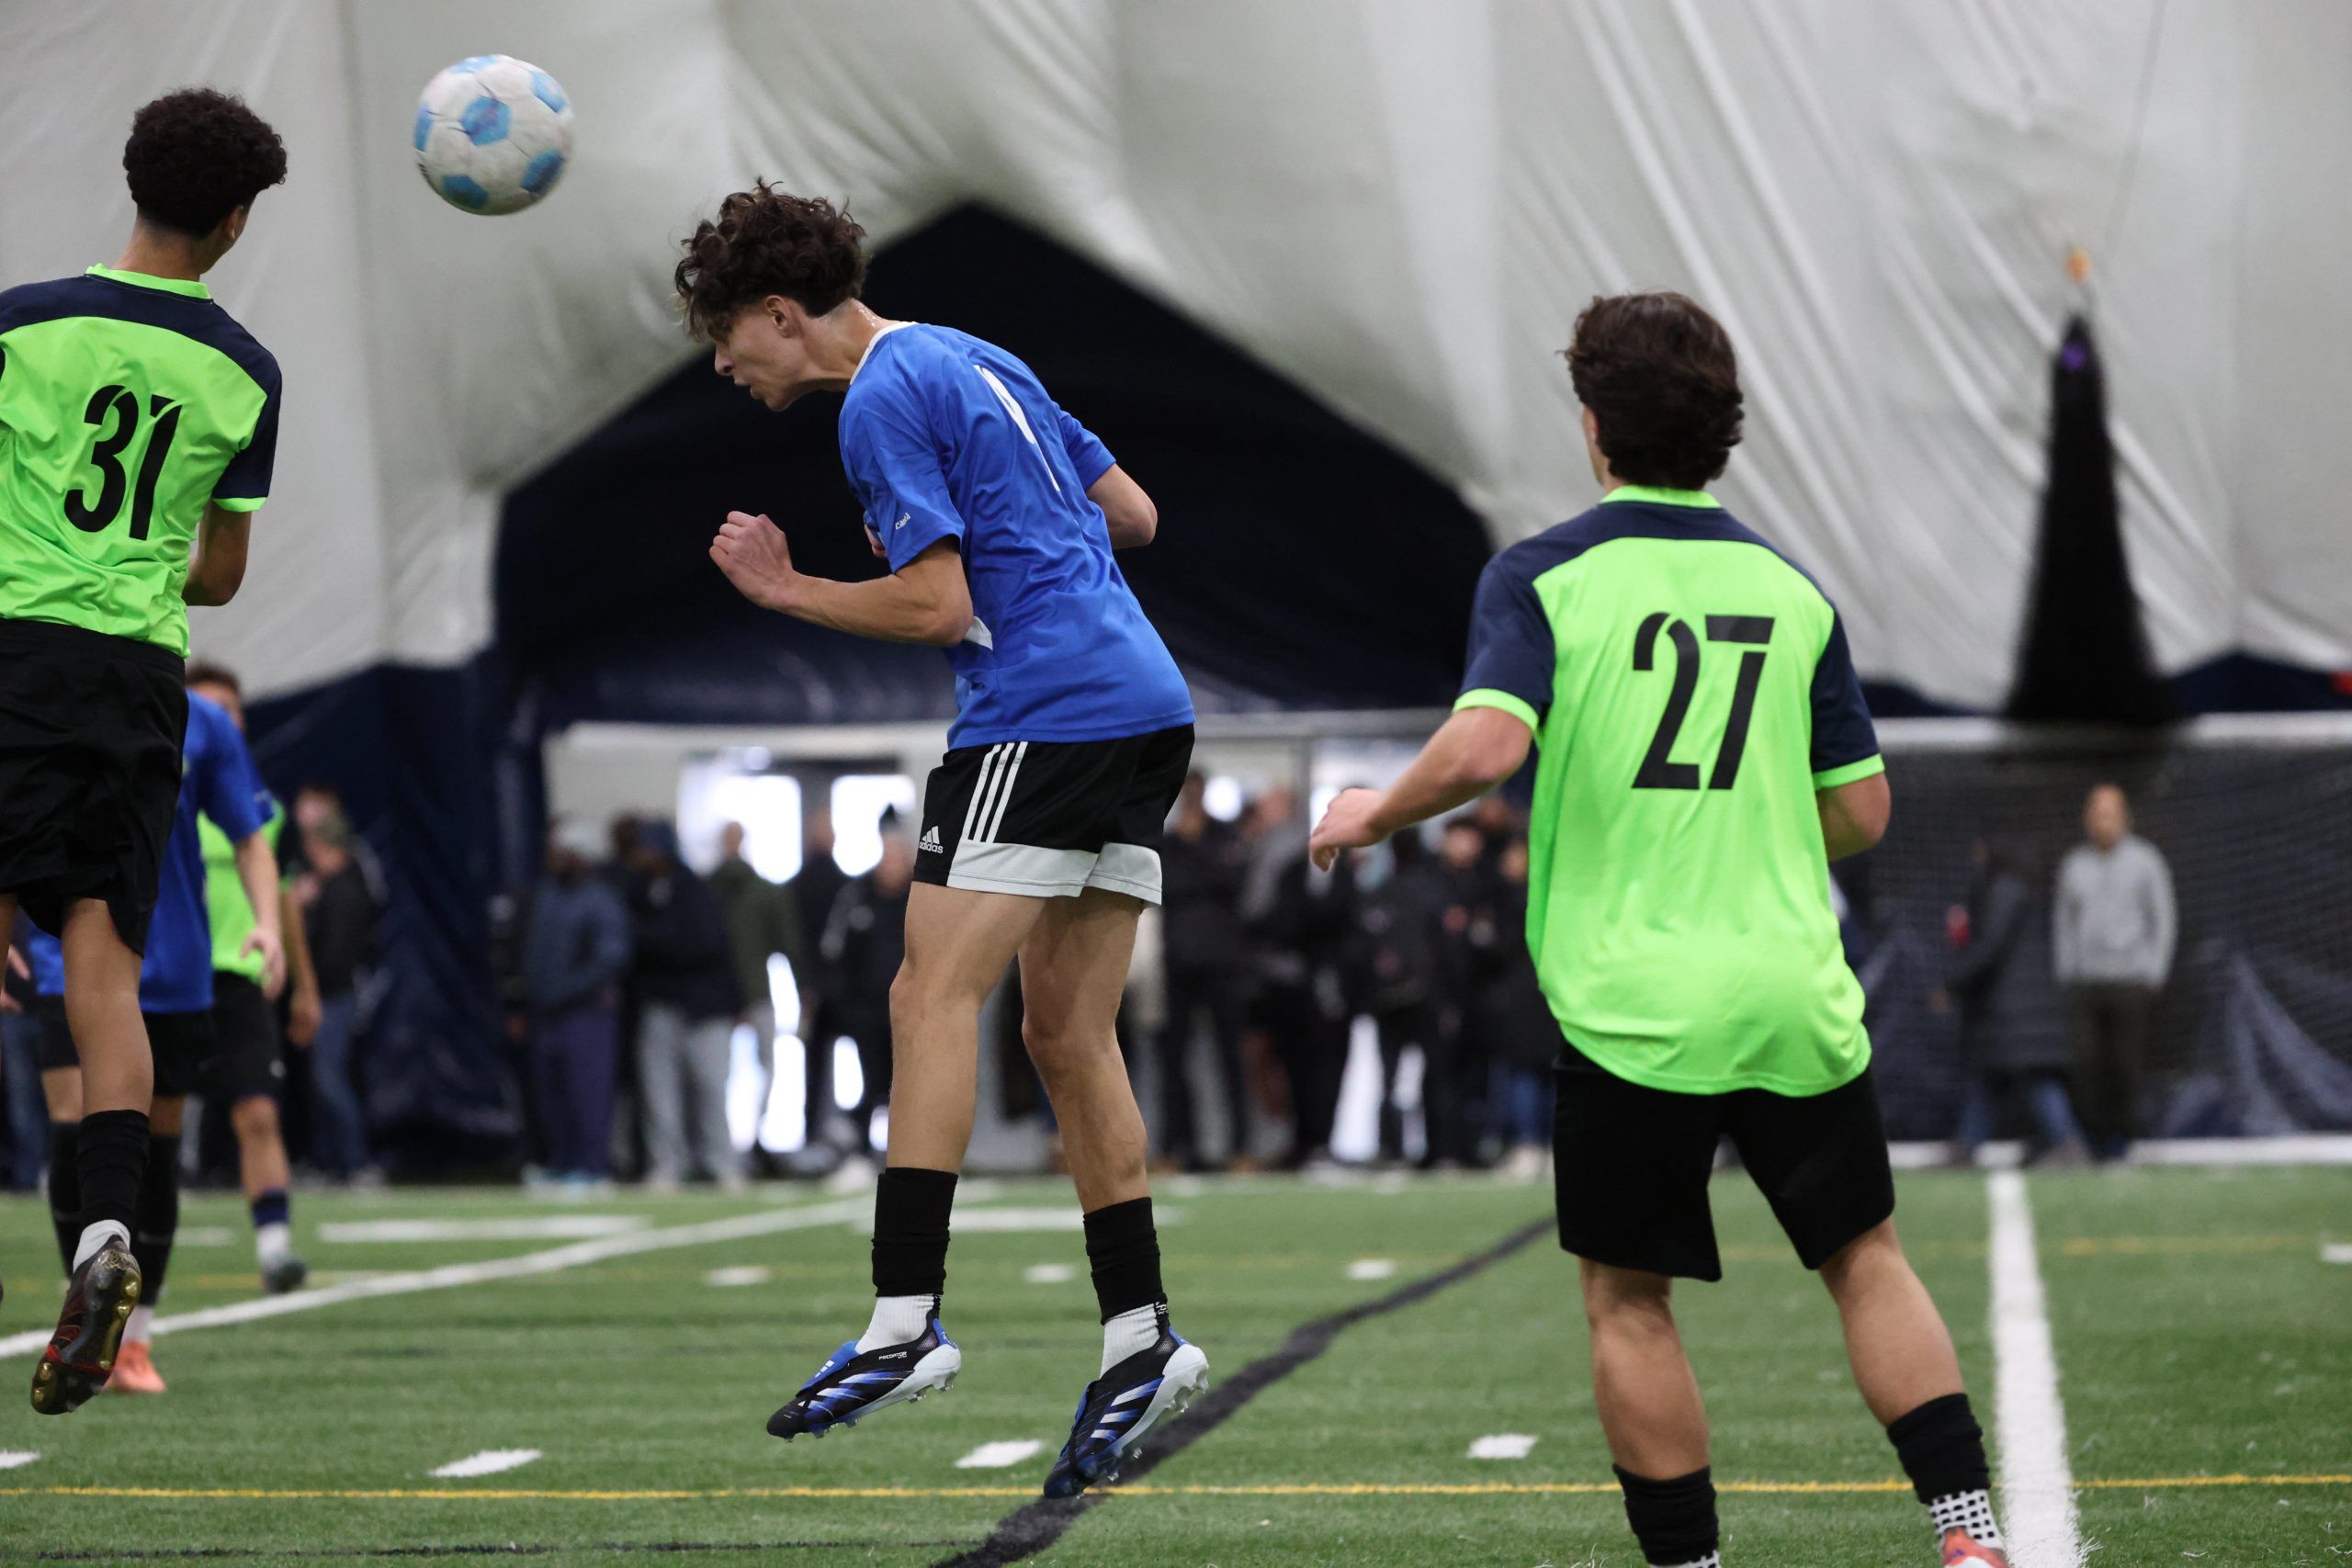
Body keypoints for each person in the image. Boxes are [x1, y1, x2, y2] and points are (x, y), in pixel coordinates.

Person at [1309, 292, 2009, 1568]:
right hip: (1790, 991)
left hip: (1633, 1008)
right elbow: (1861, 810)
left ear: (1593, 425)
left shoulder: (1541, 575)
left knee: (1629, 1300)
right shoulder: (1793, 590)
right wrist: (1751, 832)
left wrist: (1375, 810)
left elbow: (1487, 743)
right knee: (1866, 1259)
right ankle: (1970, 1534)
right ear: (1721, 427)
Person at [681, 183, 1208, 1495]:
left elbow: (931, 605)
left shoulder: (874, 399)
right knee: (1066, 1033)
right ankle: (1139, 1331)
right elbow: (1136, 515)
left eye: (724, 335)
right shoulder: (978, 353)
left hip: (1042, 711)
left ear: (780, 312)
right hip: (1146, 704)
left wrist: (785, 587)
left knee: (927, 996)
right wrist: (1039, 538)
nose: (722, 364)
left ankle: (904, 1314)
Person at [0, 87, 286, 1413]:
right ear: (234, 218)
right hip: (137, 679)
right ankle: (108, 1232)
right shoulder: (244, 370)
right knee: (102, 975)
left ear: (133, 182)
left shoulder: (23, 324)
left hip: (15, 647)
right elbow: (218, 574)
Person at [31, 682, 284, 1396]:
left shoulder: (204, 723)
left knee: (157, 1144)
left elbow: (250, 835)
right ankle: (83, 1307)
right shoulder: (46, 686)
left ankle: (133, 1338)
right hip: (62, 958)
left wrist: (267, 923)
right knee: (72, 1122)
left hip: (174, 968)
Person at [187, 662, 316, 1292]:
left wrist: (305, 986)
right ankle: (119, 1260)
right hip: (169, 978)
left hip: (240, 979)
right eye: (205, 707)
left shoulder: (263, 809)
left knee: (258, 1113)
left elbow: (284, 897)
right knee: (146, 1124)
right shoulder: (157, 794)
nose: (220, 720)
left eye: (230, 709)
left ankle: (274, 1249)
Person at [1939, 838, 2086, 1165]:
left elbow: (1990, 947)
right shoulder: (2017, 890)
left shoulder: (2004, 890)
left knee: (2035, 1080)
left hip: (2015, 1011)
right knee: (1989, 1080)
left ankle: (2069, 1144)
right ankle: (1967, 1147)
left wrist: (1952, 981)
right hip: (2017, 1010)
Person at [2052, 783, 2175, 1161]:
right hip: (2085, 983)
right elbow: (2063, 922)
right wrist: (2067, 971)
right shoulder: (2074, 864)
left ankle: (2123, 1140)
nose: (2103, 821)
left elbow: (2163, 918)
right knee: (2086, 1065)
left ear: (2125, 818)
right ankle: (2091, 1139)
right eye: (2096, 813)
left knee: (2125, 1064)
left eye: (2110, 813)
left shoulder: (2147, 861)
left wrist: (2154, 971)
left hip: (2131, 982)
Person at [625, 820, 743, 1188]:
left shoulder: (694, 891)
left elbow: (699, 945)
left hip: (703, 1008)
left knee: (710, 1088)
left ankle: (720, 1162)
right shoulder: (639, 892)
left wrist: (653, 942)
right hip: (662, 1005)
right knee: (659, 1092)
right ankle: (667, 1164)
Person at [516, 819, 632, 1185]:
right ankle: (560, 1162)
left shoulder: (601, 900)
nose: (555, 859)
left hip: (585, 1011)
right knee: (551, 1094)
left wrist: (564, 989)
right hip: (546, 1012)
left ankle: (591, 1166)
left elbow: (608, 960)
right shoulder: (547, 895)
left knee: (587, 1092)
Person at [1156, 773, 1255, 1170]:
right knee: (1174, 1061)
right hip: (1179, 963)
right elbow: (1163, 886)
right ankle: (1177, 1147)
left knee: (1232, 1059)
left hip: (1224, 963)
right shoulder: (1168, 840)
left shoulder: (1225, 836)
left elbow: (1233, 880)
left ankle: (1240, 1147)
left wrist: (1195, 850)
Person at [707, 820, 808, 1168]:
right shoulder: (710, 891)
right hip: (722, 999)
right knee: (720, 1073)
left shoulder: (760, 892)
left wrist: (802, 992)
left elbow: (787, 945)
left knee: (760, 1067)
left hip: (752, 994)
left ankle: (753, 1139)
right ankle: (728, 1145)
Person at [818, 825, 916, 1165]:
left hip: (911, 1012)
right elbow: (834, 951)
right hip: (866, 1010)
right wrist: (844, 1004)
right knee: (872, 1080)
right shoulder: (856, 896)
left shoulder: (920, 899)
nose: (891, 865)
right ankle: (860, 1152)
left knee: (908, 1085)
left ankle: (911, 1156)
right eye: (887, 857)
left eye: (897, 858)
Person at [300, 811, 379, 1181]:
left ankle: (354, 1160)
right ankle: (332, 1161)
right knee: (324, 1079)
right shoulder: (338, 885)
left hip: (336, 995)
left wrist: (312, 987)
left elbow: (336, 953)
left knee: (329, 1078)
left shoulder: (344, 890)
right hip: (332, 993)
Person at [787, 807, 849, 1152]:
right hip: (838, 989)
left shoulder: (798, 885)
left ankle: (814, 1133)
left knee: (813, 1063)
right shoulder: (846, 885)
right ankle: (838, 1135)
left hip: (813, 988)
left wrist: (804, 983)